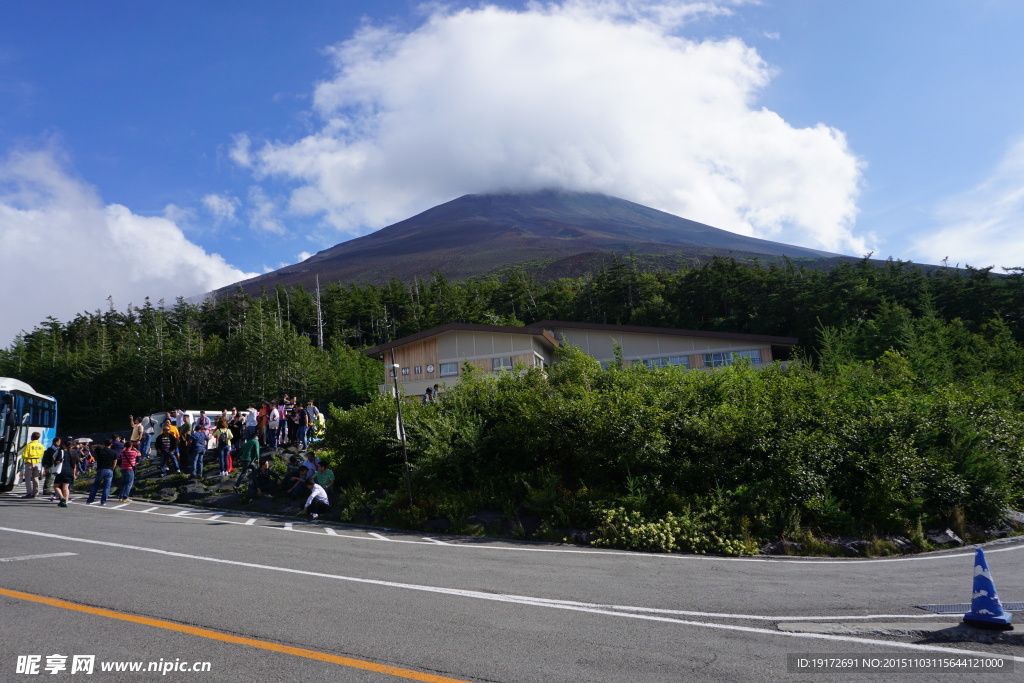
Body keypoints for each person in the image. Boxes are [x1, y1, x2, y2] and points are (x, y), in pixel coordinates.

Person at [86, 440, 118, 505]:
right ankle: (103, 501)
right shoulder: (114, 452)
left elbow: (92, 446)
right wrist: (112, 468)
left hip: (100, 469)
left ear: (104, 444)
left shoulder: (100, 450)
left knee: (95, 485)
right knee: (107, 487)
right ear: (111, 444)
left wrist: (100, 445)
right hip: (109, 469)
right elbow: (115, 462)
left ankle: (90, 500)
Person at [20, 431, 45, 498]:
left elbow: (24, 455)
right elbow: (42, 454)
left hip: (29, 462)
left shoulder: (29, 445)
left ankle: (29, 493)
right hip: (37, 462)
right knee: (36, 478)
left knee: (28, 478)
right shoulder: (41, 446)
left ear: (32, 437)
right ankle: (36, 493)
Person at [53, 443, 78, 507]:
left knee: (56, 486)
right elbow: (75, 464)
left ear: (64, 445)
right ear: (72, 446)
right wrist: (74, 474)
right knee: (66, 487)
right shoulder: (74, 453)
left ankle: (62, 498)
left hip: (61, 471)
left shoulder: (61, 452)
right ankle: (66, 502)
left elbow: (57, 461)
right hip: (70, 471)